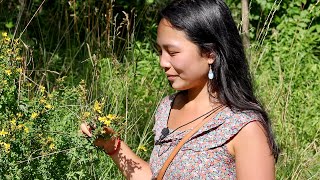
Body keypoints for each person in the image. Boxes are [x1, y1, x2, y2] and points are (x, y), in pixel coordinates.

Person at [81, 0, 279, 179]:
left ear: (210, 53)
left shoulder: (244, 127)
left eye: (173, 52)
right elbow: (156, 176)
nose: (162, 62)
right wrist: (113, 146)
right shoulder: (167, 108)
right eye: (160, 51)